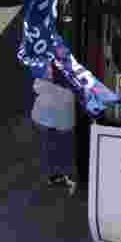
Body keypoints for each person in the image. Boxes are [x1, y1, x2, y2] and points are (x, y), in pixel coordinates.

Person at [30, 61, 76, 194]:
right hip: (54, 109)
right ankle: (60, 174)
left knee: (53, 142)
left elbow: (37, 86)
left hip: (52, 109)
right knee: (59, 142)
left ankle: (57, 173)